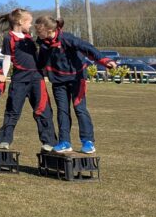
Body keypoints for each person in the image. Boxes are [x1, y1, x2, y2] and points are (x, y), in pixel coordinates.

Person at [35, 15, 116, 154]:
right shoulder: (43, 44)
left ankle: (87, 141)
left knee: (80, 109)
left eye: (39, 31)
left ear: (48, 30)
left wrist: (104, 60)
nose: (37, 34)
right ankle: (65, 142)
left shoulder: (67, 38)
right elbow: (41, 62)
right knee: (62, 110)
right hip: (58, 81)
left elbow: (87, 48)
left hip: (77, 78)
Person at [0, 7, 56, 151]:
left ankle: (49, 142)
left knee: (43, 110)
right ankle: (4, 140)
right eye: (29, 22)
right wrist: (3, 74)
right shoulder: (9, 38)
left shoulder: (30, 38)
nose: (31, 25)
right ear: (20, 21)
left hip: (37, 79)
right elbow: (7, 58)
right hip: (19, 80)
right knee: (12, 110)